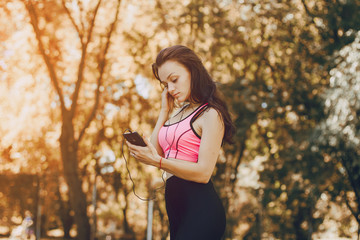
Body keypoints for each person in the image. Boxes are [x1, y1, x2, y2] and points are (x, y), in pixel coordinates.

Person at [125, 45, 235, 240]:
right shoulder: (177, 114)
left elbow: (203, 173)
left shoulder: (210, 114)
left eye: (174, 80)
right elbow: (155, 151)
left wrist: (158, 162)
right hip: (176, 209)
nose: (171, 89)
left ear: (193, 71)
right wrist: (163, 112)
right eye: (165, 84)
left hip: (202, 209)